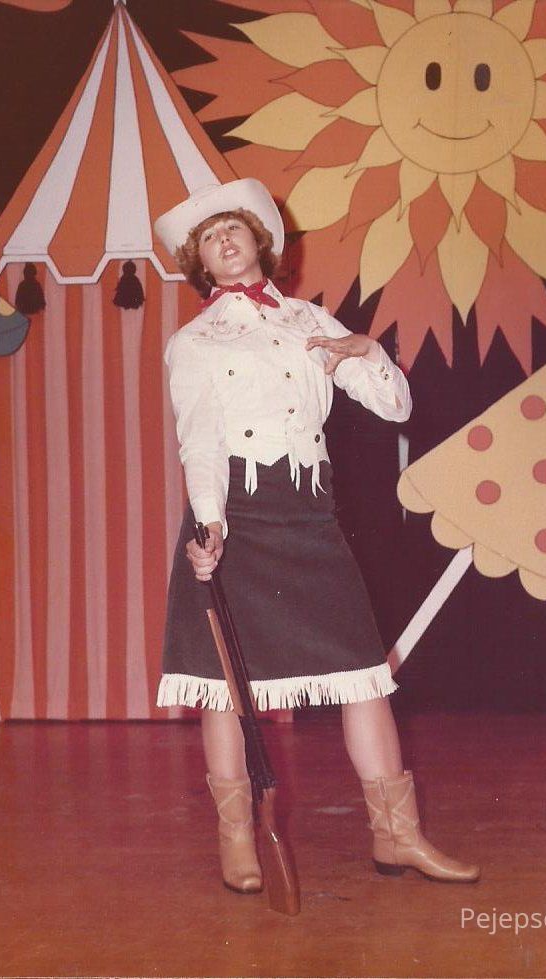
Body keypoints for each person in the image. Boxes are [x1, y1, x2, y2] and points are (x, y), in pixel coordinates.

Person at [152, 178, 479, 893]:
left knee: (365, 676)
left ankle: (397, 835)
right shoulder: (195, 342)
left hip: (309, 512)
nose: (225, 241)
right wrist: (209, 521)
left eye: (233, 228)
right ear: (199, 261)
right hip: (237, 517)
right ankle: (238, 839)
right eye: (209, 238)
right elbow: (198, 441)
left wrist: (363, 351)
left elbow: (396, 407)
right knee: (224, 688)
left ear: (260, 241)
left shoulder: (308, 320)